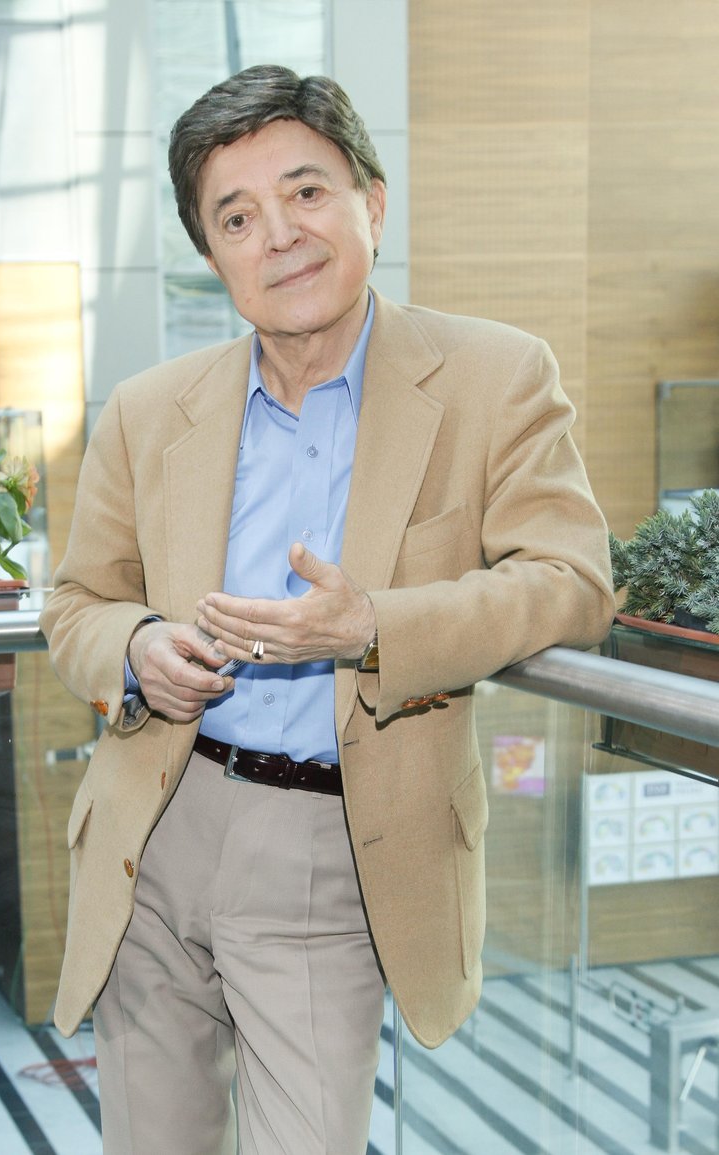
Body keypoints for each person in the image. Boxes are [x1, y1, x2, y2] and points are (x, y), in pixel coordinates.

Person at [41, 64, 615, 1155]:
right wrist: (137, 645)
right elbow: (76, 603)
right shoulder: (147, 409)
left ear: (372, 203)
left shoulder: (495, 376)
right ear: (212, 255)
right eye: (237, 217)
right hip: (148, 831)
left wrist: (376, 628)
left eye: (307, 192)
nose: (280, 236)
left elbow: (575, 581)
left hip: (333, 842)